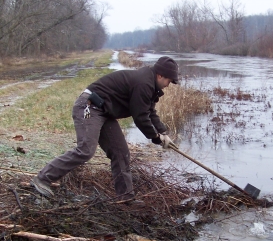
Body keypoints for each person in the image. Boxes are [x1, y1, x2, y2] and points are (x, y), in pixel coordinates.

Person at [31, 56, 179, 206]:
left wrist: (163, 133)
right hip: (88, 107)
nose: (168, 85)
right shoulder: (144, 83)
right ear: (160, 75)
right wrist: (155, 137)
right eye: (169, 80)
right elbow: (140, 117)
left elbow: (150, 112)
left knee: (120, 152)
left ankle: (125, 198)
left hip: (105, 112)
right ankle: (43, 178)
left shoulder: (150, 85)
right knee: (86, 150)